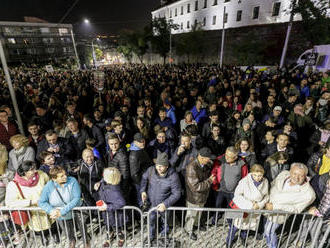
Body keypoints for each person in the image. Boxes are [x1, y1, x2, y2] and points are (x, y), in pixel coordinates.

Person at [263, 163, 316, 248]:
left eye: (301, 175)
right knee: (266, 230)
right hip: (266, 207)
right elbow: (273, 184)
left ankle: (272, 246)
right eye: (294, 173)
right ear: (290, 172)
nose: (296, 177)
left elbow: (296, 209)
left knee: (268, 231)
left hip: (278, 214)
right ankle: (268, 242)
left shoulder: (309, 194)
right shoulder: (283, 174)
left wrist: (275, 206)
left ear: (305, 176)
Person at [5, 161, 57, 246]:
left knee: (52, 221)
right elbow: (10, 203)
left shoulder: (41, 174)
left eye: (34, 168)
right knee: (38, 226)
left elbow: (50, 185)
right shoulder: (13, 184)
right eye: (31, 170)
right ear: (24, 172)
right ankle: (43, 237)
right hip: (32, 210)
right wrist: (30, 202)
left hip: (46, 205)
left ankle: (55, 234)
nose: (35, 171)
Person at [38, 166, 91, 248]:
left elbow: (76, 198)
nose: (65, 176)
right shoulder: (49, 186)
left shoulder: (72, 180)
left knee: (82, 227)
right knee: (68, 231)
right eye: (61, 176)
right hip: (61, 214)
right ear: (54, 178)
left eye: (65, 174)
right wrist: (51, 210)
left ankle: (86, 242)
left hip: (76, 209)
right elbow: (41, 202)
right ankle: (72, 242)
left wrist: (61, 211)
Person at [140, 152, 181, 245]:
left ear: (167, 166)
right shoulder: (151, 170)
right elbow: (143, 179)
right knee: (151, 220)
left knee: (165, 220)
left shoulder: (173, 176)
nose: (159, 168)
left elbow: (177, 193)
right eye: (157, 165)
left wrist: (165, 204)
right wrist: (143, 191)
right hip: (151, 203)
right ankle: (151, 236)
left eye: (162, 166)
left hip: (164, 205)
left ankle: (164, 235)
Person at [226, 164, 269, 247]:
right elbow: (237, 195)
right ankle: (229, 242)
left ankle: (243, 238)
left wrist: (259, 205)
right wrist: (250, 205)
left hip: (255, 208)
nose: (258, 178)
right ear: (251, 173)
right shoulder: (244, 181)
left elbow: (267, 196)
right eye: (255, 175)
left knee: (246, 226)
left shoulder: (265, 181)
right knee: (235, 226)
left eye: (260, 175)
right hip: (243, 207)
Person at [184, 147, 216, 240]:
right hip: (194, 198)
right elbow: (195, 187)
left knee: (199, 213)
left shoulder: (204, 164)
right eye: (208, 158)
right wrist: (209, 181)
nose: (209, 160)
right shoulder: (192, 167)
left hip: (202, 196)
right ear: (201, 157)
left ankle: (197, 225)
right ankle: (188, 230)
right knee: (191, 215)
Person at [95, 167, 126, 248]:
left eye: (104, 176)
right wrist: (98, 184)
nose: (103, 176)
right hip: (106, 214)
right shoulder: (104, 183)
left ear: (109, 178)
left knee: (117, 228)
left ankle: (121, 238)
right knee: (108, 227)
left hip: (115, 215)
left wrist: (107, 207)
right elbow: (102, 181)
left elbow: (121, 203)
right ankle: (109, 237)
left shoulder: (115, 191)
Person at [129, 133, 152, 207]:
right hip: (141, 182)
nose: (142, 143)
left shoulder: (140, 149)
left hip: (145, 179)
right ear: (135, 142)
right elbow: (134, 173)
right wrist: (142, 185)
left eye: (143, 141)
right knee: (142, 201)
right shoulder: (134, 154)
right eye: (140, 141)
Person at [107, 133, 130, 200]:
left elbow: (125, 174)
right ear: (108, 144)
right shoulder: (109, 152)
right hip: (112, 182)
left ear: (119, 142)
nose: (114, 146)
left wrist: (123, 190)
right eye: (111, 144)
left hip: (120, 185)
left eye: (116, 143)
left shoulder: (122, 155)